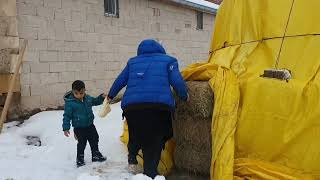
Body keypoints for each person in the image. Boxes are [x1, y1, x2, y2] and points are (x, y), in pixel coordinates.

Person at [107, 39, 188, 178]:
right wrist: (184, 95)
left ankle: (132, 157)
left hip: (132, 107)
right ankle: (149, 173)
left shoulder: (132, 62)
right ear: (160, 49)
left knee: (136, 132)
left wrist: (110, 95)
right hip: (158, 108)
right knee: (155, 140)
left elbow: (120, 79)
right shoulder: (169, 60)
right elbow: (177, 81)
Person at [62, 80, 107, 167]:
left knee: (94, 138)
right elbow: (67, 116)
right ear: (72, 92)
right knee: (82, 143)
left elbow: (95, 101)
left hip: (90, 125)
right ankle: (80, 159)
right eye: (76, 93)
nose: (79, 95)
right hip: (79, 128)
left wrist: (101, 97)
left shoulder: (88, 98)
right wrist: (66, 127)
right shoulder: (70, 103)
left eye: (81, 93)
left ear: (84, 90)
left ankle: (96, 155)